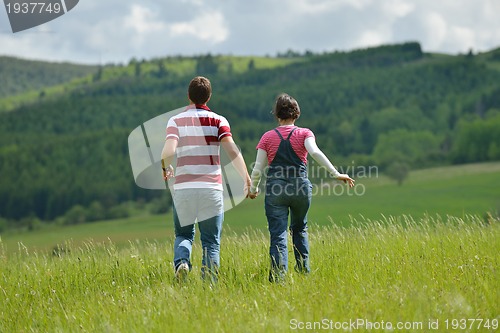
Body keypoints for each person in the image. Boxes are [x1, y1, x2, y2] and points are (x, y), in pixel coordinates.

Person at [248, 93, 355, 282]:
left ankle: (279, 279)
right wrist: (336, 173)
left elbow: (258, 168)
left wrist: (253, 188)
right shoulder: (305, 133)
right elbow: (315, 152)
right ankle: (304, 273)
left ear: (277, 115)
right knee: (300, 229)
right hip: (300, 188)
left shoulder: (267, 137)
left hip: (276, 190)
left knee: (278, 233)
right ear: (296, 114)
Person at [161, 76, 251, 282]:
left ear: (188, 96)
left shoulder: (175, 121)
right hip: (211, 189)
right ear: (209, 97)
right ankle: (209, 286)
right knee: (211, 241)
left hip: (184, 189)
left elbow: (168, 151)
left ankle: (182, 262)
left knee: (183, 235)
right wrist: (246, 177)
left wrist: (165, 167)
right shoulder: (219, 121)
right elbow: (232, 151)